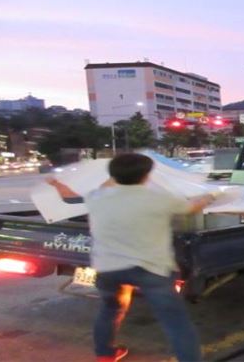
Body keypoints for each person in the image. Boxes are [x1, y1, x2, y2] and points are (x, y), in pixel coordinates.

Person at [48, 153, 215, 362]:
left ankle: (105, 355)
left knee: (110, 309)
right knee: (175, 322)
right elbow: (191, 208)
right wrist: (209, 197)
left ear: (111, 175)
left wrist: (55, 183)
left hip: (108, 268)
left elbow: (68, 194)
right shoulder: (159, 198)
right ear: (146, 175)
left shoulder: (96, 197)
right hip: (151, 269)